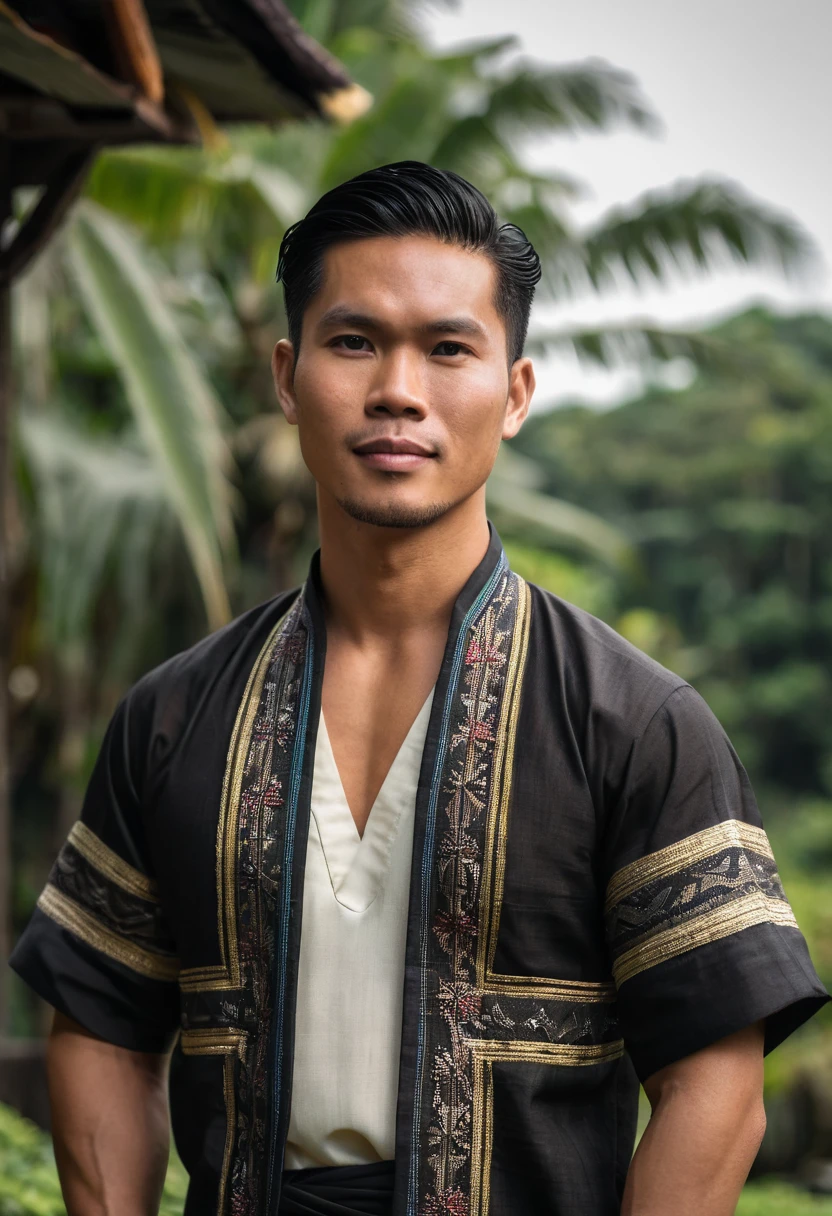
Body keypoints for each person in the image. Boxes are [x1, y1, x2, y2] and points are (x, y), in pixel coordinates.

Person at [10, 161, 828, 1216]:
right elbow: (100, 1022)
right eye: (354, 341)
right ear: (286, 373)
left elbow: (714, 1081)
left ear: (516, 392)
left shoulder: (635, 723)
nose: (398, 388)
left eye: (448, 348)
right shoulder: (172, 718)